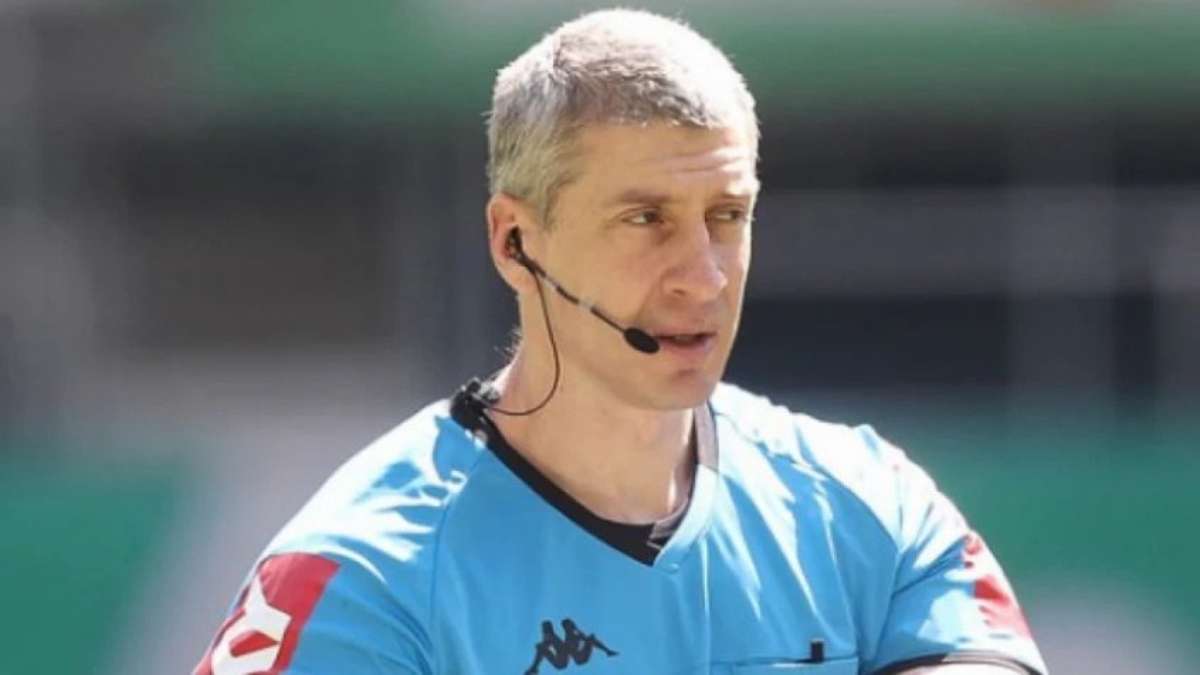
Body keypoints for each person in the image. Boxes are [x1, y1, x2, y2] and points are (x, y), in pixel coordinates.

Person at [194, 9, 1047, 674]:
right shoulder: (363, 577)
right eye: (646, 219)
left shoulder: (872, 511)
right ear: (514, 242)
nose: (704, 276)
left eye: (727, 217)